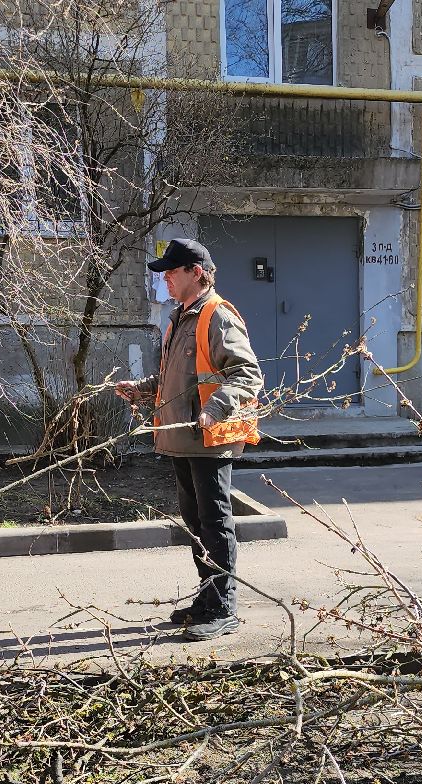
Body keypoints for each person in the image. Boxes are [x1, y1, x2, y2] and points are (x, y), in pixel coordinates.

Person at [115, 238, 264, 641]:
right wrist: (143, 389)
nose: (165, 278)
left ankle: (222, 607)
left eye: (172, 271)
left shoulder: (216, 315)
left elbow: (248, 375)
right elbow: (177, 379)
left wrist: (214, 410)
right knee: (196, 522)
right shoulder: (181, 316)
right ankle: (206, 597)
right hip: (182, 436)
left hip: (211, 437)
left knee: (214, 522)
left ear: (196, 272)